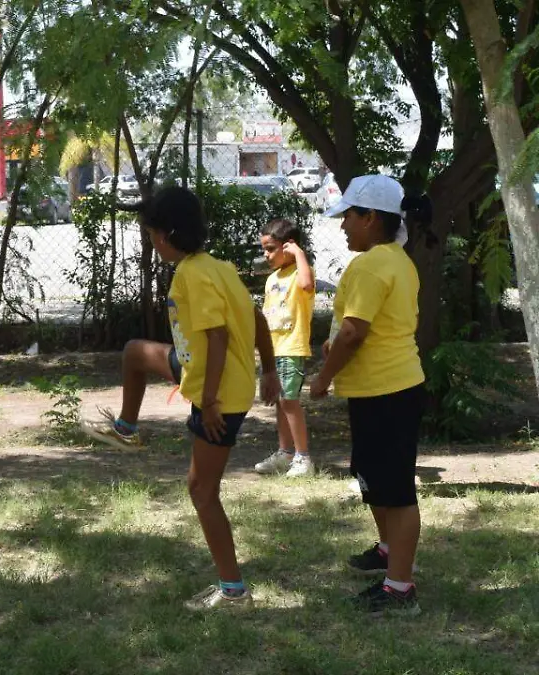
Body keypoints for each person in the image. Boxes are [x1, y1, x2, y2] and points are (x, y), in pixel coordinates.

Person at [83, 186, 279, 610]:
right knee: (135, 352)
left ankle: (233, 592)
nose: (151, 243)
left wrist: (207, 402)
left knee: (202, 490)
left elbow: (219, 336)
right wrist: (269, 369)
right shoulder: (218, 267)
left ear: (167, 234)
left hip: (219, 393)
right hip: (205, 373)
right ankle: (127, 429)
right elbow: (256, 317)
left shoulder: (192, 273)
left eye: (152, 234)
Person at [310, 175, 430, 617]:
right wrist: (335, 348)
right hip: (385, 389)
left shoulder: (370, 265)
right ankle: (387, 552)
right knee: (374, 475)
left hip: (387, 391)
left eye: (348, 218)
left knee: (395, 491)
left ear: (371, 218)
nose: (342, 226)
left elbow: (352, 331)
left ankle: (399, 587)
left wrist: (323, 377)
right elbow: (362, 327)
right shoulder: (397, 260)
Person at [253, 218, 316, 477]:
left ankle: (303, 458)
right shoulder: (272, 279)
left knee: (289, 401)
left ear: (288, 246)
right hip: (274, 349)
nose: (266, 255)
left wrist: (299, 254)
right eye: (264, 249)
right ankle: (285, 452)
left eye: (271, 249)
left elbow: (307, 285)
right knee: (280, 402)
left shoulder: (301, 272)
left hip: (292, 347)